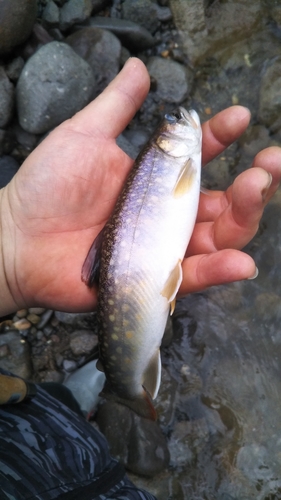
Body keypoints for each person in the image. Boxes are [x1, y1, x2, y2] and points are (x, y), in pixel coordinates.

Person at [0, 57, 280, 499]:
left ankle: (65, 404)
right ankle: (90, 398)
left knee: (39, 418)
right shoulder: (172, 159)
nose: (179, 119)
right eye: (172, 122)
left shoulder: (173, 158)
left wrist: (7, 253)